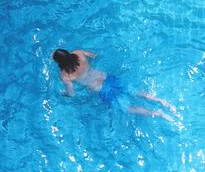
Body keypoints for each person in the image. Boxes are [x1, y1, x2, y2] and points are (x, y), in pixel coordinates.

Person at [52, 48, 183, 128]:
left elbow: (72, 94)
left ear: (60, 63)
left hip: (102, 90)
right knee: (136, 92)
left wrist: (64, 93)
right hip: (108, 77)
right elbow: (95, 56)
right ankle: (159, 100)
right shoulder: (79, 53)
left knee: (128, 108)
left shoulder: (65, 75)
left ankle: (157, 113)